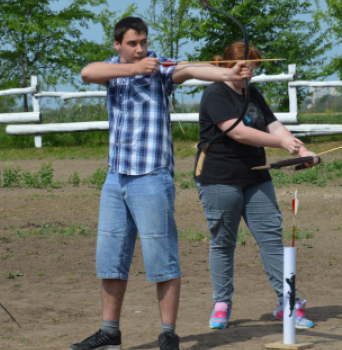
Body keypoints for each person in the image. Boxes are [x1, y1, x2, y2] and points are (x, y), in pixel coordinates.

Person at [69, 18, 251, 350]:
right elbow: (87, 73)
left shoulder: (160, 67)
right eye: (132, 43)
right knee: (110, 258)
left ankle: (168, 333)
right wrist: (135, 68)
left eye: (143, 42)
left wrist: (227, 73)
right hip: (116, 177)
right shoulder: (115, 68)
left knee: (161, 258)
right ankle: (110, 332)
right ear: (118, 45)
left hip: (152, 176)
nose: (140, 48)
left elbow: (191, 70)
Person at [194, 42, 317, 332]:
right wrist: (283, 144)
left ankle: (288, 303)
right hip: (219, 178)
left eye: (252, 71)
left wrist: (300, 150)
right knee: (223, 243)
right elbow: (239, 132)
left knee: (272, 240)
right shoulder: (214, 93)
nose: (248, 77)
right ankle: (221, 305)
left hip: (256, 177)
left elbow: (273, 126)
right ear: (226, 66)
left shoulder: (253, 94)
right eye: (243, 70)